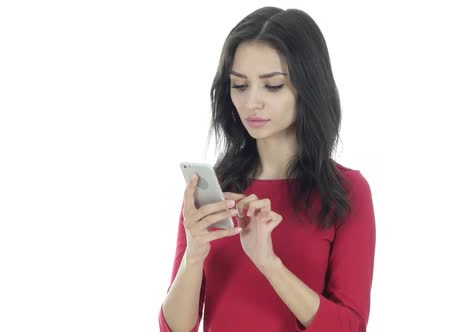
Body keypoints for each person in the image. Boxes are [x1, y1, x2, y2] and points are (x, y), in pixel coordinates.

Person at [159, 7, 376, 332]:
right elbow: (174, 328)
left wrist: (269, 264)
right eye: (240, 85)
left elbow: (350, 327)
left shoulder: (347, 191)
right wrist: (194, 254)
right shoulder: (212, 190)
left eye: (272, 85)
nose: (251, 102)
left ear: (309, 88)